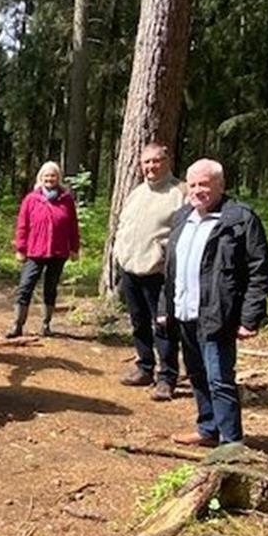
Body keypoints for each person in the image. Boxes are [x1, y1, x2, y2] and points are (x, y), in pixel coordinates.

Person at [163, 159, 268, 447]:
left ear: (220, 186)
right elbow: (171, 268)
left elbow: (259, 270)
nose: (198, 190)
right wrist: (166, 307)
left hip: (218, 315)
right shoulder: (182, 217)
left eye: (205, 184)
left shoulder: (239, 219)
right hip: (185, 312)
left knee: (220, 380)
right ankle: (208, 429)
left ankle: (231, 444)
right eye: (193, 184)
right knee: (197, 375)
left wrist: (250, 317)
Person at [113, 143, 186, 401]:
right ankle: (144, 366)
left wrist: (162, 253)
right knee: (138, 321)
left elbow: (184, 233)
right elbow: (123, 225)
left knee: (163, 326)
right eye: (146, 162)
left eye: (156, 161)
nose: (151, 167)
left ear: (167, 162)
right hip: (131, 268)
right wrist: (119, 253)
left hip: (158, 273)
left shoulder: (180, 192)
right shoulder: (137, 193)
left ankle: (167, 377)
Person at [5, 161, 79, 338]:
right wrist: (21, 248)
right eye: (46, 175)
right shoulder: (31, 199)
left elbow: (73, 226)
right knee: (25, 286)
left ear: (58, 178)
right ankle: (17, 325)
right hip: (35, 252)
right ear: (41, 177)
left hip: (58, 252)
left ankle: (46, 325)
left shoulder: (67, 200)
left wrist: (75, 248)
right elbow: (22, 225)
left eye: (53, 175)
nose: (50, 179)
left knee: (50, 288)